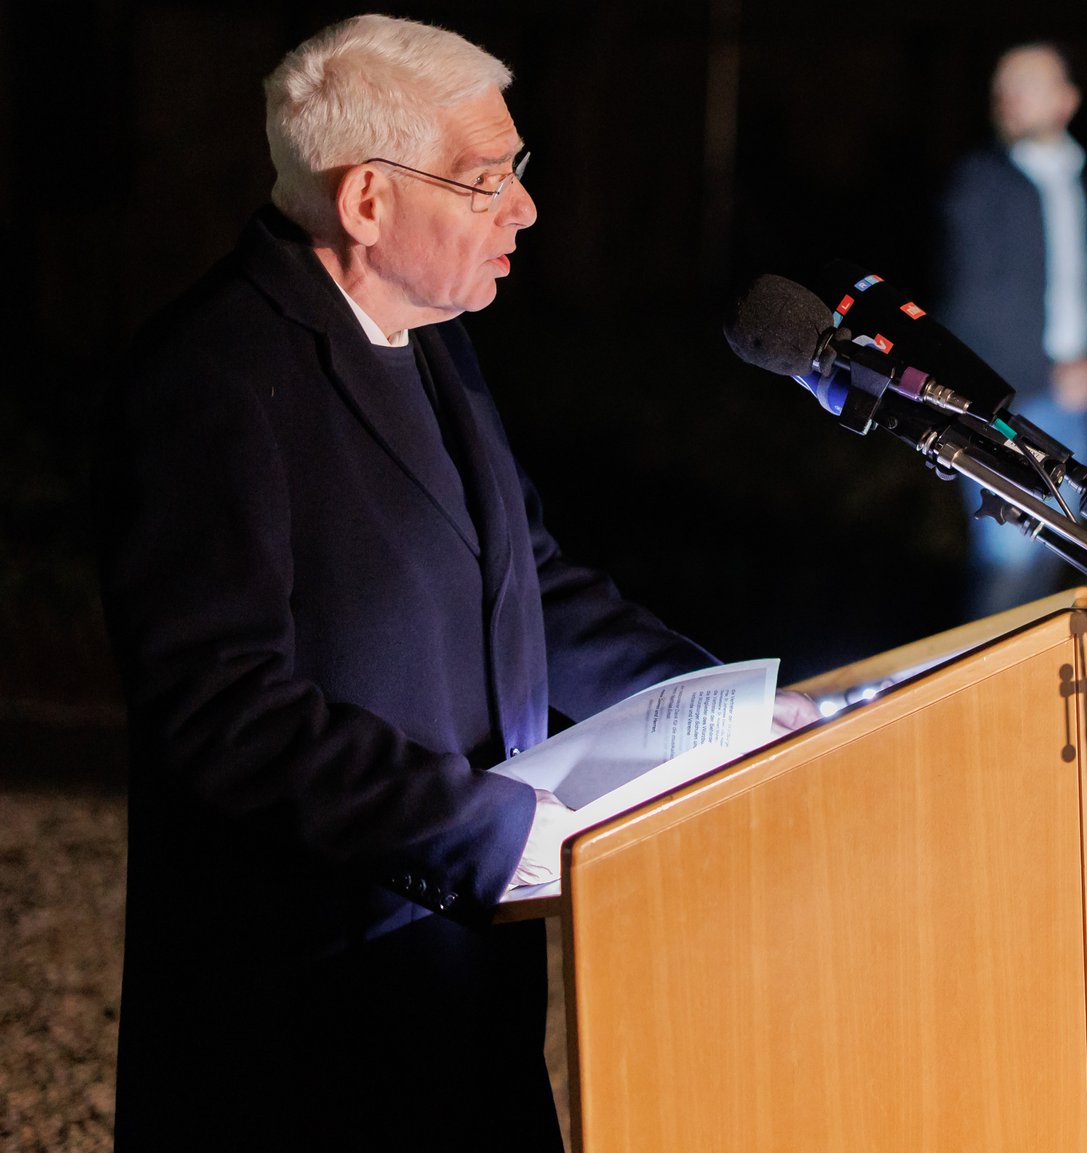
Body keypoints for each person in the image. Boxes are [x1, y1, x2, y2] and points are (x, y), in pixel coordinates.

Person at [95, 16, 814, 1151]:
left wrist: (719, 704)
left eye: (516, 172)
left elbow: (528, 581)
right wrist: (481, 829)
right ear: (366, 199)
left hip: (463, 966)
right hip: (306, 1000)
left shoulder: (434, 336)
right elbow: (217, 704)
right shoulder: (210, 376)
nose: (522, 207)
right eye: (486, 180)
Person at [938, 42, 1087, 619]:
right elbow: (969, 301)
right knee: (1007, 566)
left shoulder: (1083, 179)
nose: (1010, 98)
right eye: (1004, 84)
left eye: (1028, 84)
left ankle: (1024, 699)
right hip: (1012, 402)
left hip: (1077, 396)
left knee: (1055, 560)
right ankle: (973, 700)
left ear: (1067, 100)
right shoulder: (981, 180)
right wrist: (1046, 374)